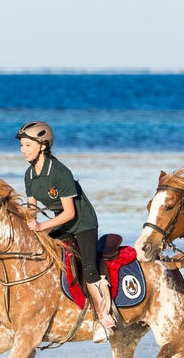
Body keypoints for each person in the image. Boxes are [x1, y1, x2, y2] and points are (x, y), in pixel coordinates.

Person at [15, 121, 115, 343]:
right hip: (60, 224)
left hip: (83, 223)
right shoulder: (29, 175)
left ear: (42, 146)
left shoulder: (60, 172)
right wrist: (23, 224)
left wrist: (42, 227)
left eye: (28, 145)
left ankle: (104, 320)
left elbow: (70, 213)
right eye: (22, 145)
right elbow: (32, 210)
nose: (23, 150)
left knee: (89, 269)